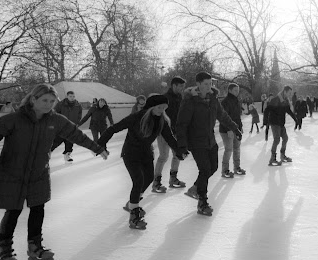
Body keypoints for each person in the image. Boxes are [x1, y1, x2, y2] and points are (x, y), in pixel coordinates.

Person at [0, 84, 109, 260]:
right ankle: (4, 247)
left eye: (52, 101)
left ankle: (35, 247)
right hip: (12, 172)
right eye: (44, 100)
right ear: (33, 100)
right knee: (13, 210)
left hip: (39, 172)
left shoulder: (56, 120)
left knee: (38, 209)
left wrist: (97, 148)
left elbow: (76, 134)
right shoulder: (14, 119)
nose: (49, 104)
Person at [98, 95, 185, 230]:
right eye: (159, 107)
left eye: (164, 108)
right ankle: (134, 215)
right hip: (131, 153)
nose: (162, 110)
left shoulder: (162, 121)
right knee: (138, 180)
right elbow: (113, 128)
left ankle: (132, 203)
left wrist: (179, 150)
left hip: (146, 153)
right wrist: (101, 143)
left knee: (149, 178)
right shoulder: (136, 117)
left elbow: (169, 137)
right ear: (151, 107)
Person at [175, 72, 241, 216]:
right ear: (198, 84)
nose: (209, 86)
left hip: (210, 140)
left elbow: (223, 115)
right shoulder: (190, 101)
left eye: (210, 83)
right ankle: (202, 202)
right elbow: (181, 124)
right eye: (205, 84)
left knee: (213, 167)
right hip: (196, 141)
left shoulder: (213, 99)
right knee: (205, 170)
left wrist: (235, 128)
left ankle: (196, 188)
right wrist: (181, 145)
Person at [152, 77, 188, 192]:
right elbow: (158, 114)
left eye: (183, 87)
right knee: (163, 156)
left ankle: (173, 179)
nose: (182, 89)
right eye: (180, 86)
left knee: (177, 154)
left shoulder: (180, 97)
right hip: (164, 131)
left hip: (177, 131)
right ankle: (156, 183)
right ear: (174, 85)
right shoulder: (165, 98)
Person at [266, 86, 297, 166]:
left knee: (285, 138)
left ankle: (282, 156)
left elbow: (289, 111)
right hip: (275, 123)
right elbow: (267, 109)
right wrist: (266, 122)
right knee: (277, 139)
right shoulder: (275, 99)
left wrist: (295, 119)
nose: (290, 95)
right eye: (289, 93)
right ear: (285, 91)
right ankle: (272, 159)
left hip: (281, 123)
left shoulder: (285, 101)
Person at [220, 83, 245, 178]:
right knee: (229, 149)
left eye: (238, 90)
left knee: (237, 148)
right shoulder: (225, 102)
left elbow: (238, 116)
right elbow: (223, 117)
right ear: (230, 90)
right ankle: (225, 170)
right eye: (235, 90)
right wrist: (228, 129)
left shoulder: (236, 101)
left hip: (236, 129)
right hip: (226, 130)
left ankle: (237, 168)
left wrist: (240, 127)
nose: (237, 92)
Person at [52, 90, 84, 162]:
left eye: (73, 96)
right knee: (56, 142)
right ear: (67, 96)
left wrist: (76, 123)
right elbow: (55, 113)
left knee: (70, 142)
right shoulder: (61, 104)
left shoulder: (78, 105)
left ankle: (67, 155)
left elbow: (79, 115)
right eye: (70, 96)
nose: (72, 98)